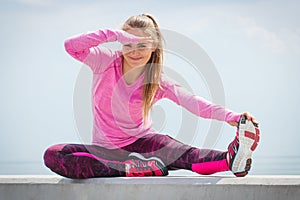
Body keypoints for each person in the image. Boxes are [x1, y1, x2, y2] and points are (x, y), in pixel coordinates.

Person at [44, 14, 260, 179]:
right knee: (54, 155)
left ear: (154, 46)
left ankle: (231, 159)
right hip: (107, 151)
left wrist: (232, 117)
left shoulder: (157, 80)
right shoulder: (105, 61)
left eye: (142, 45)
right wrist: (114, 34)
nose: (134, 52)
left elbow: (193, 103)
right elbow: (70, 46)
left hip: (144, 144)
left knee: (184, 155)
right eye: (128, 44)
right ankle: (130, 170)